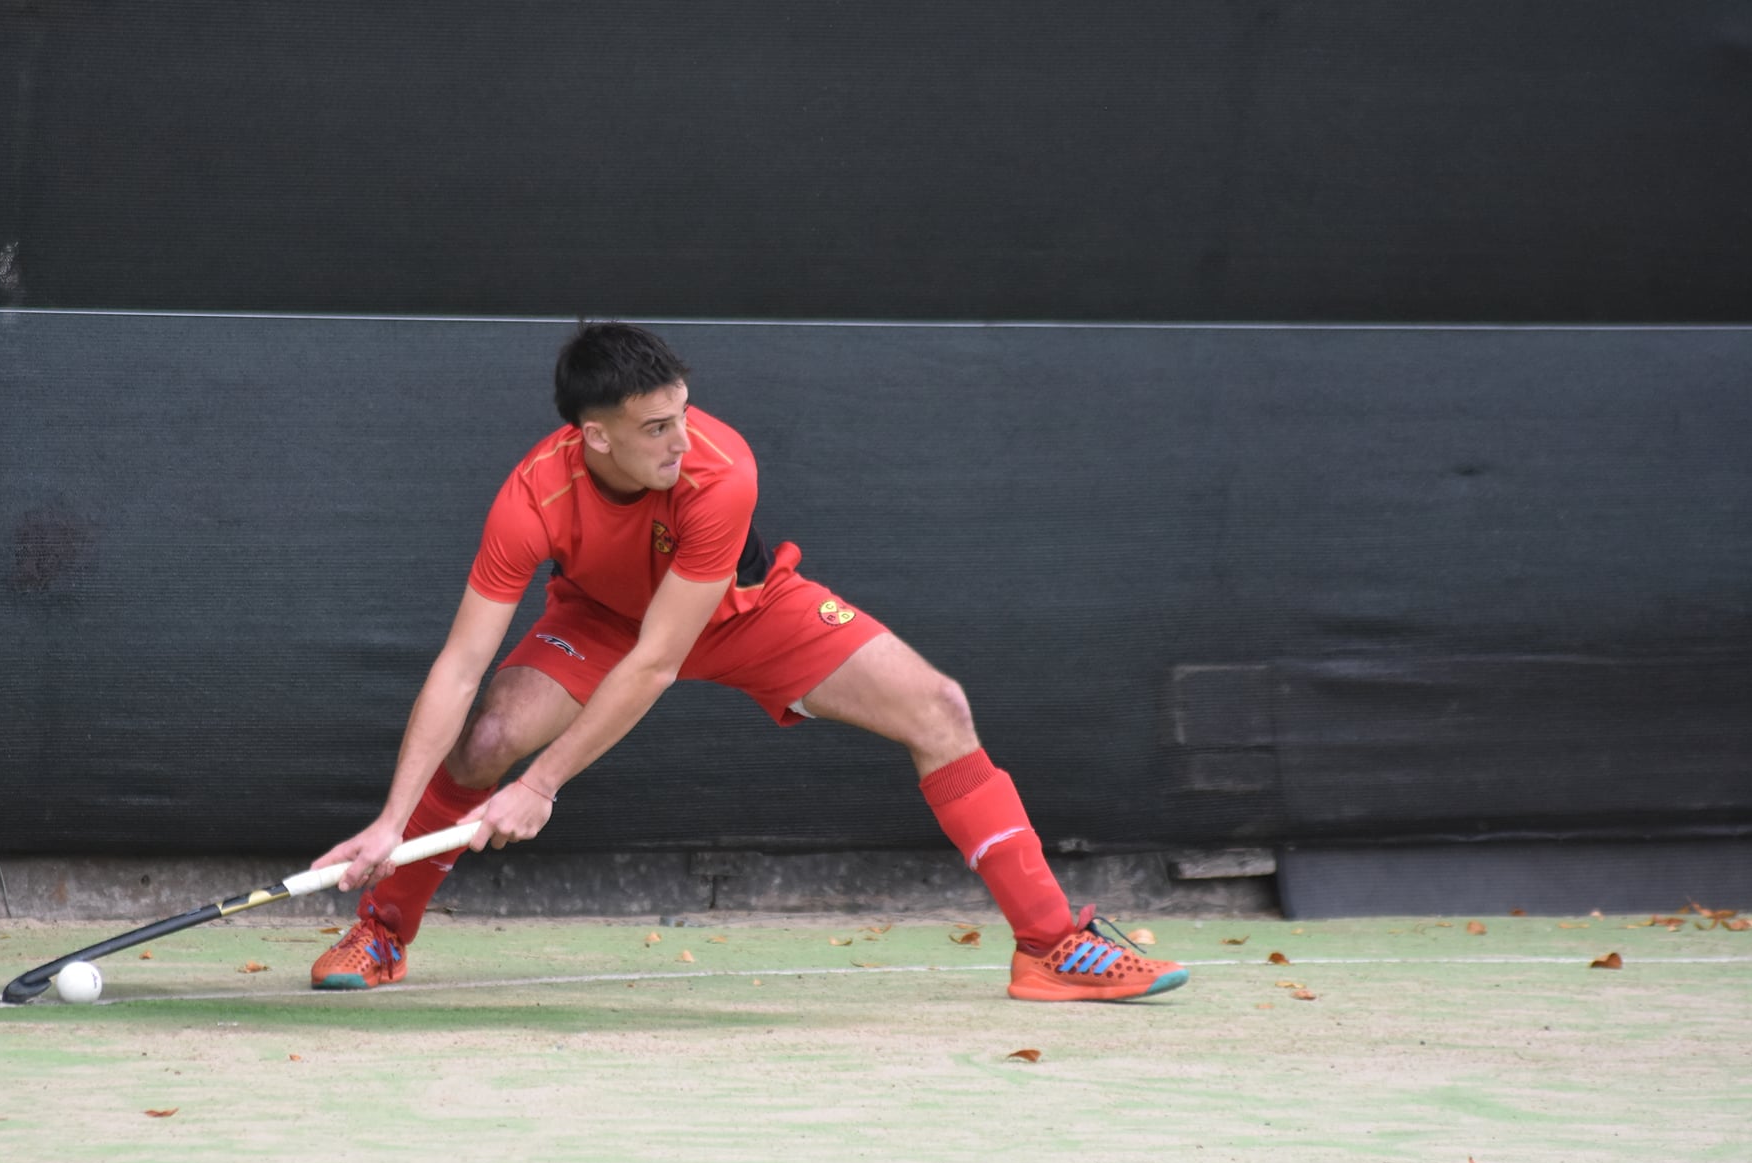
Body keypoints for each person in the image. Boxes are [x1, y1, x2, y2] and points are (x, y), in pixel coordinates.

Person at [310, 322, 1187, 1003]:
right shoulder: (533, 495)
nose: (680, 440)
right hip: (600, 621)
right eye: (656, 427)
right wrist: (391, 820)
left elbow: (659, 661)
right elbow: (461, 665)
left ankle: (1049, 945)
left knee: (940, 708)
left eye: (683, 414)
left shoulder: (720, 471)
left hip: (747, 611)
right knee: (486, 739)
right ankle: (382, 929)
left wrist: (542, 786)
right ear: (594, 436)